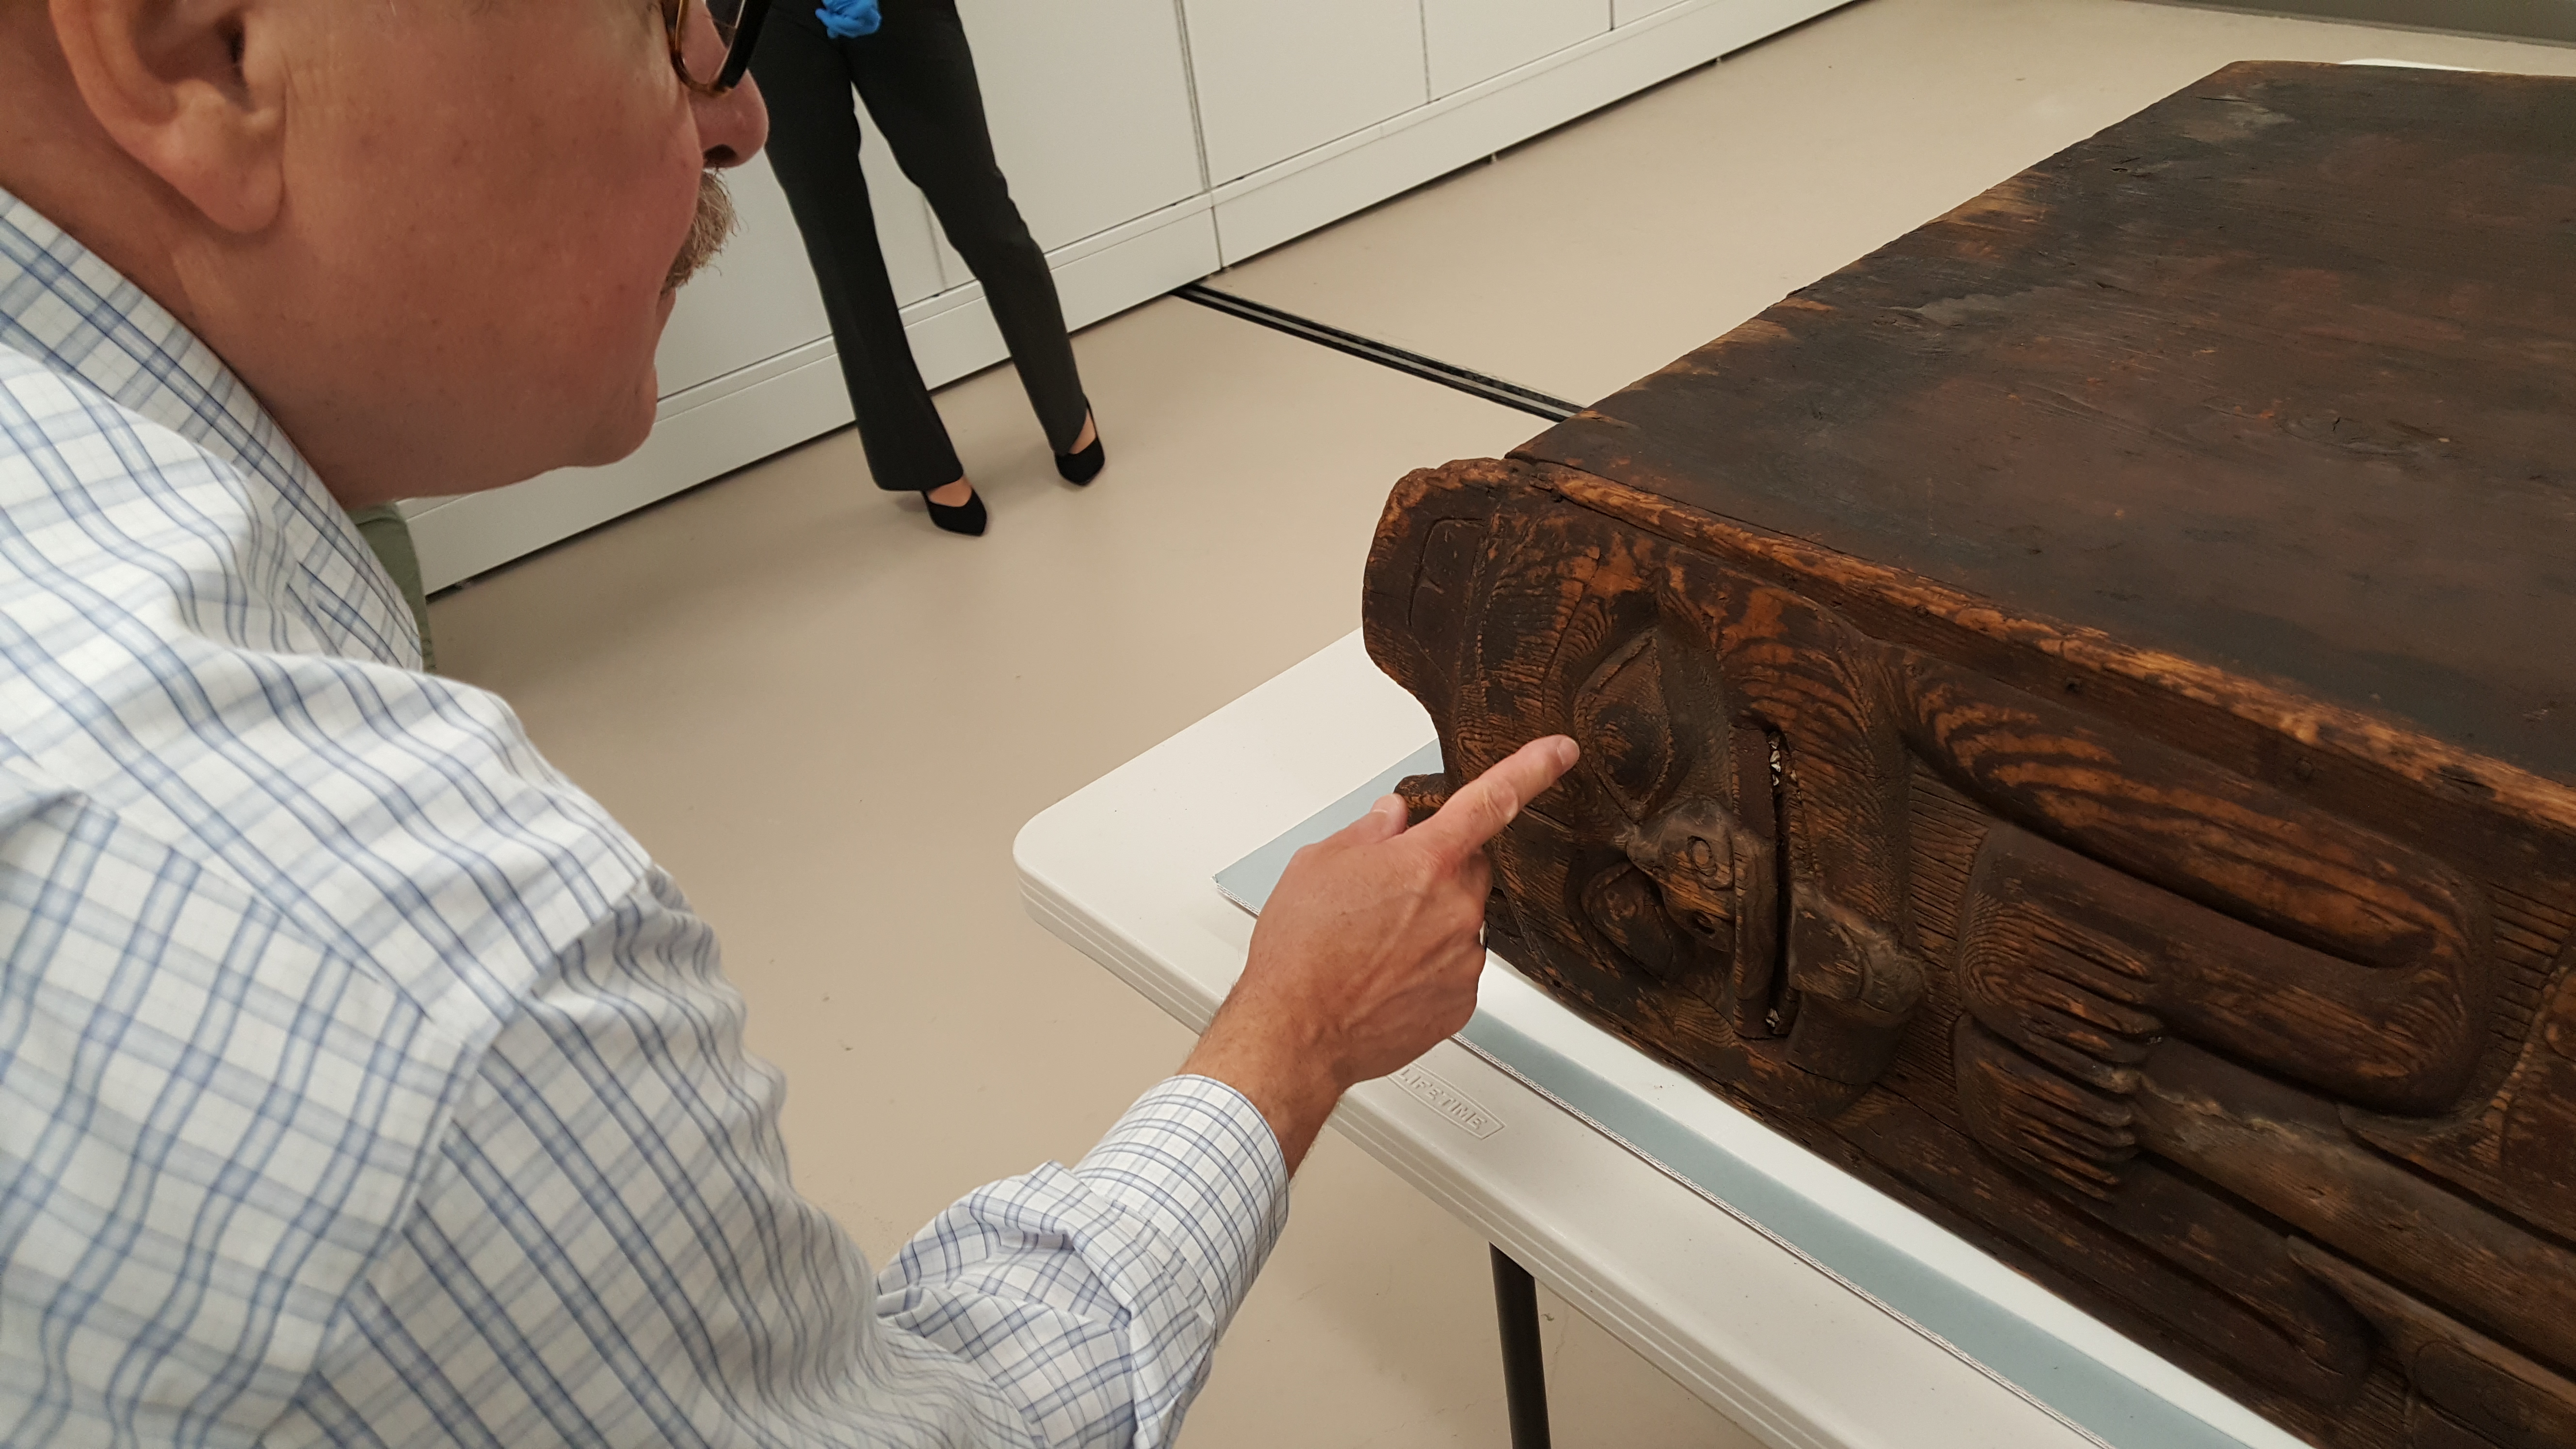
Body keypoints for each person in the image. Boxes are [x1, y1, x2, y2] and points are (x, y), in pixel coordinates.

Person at [0, 0, 1578, 1446]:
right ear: (195, 49)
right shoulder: (420, 971)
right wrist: (1290, 1028)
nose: (732, 113)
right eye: (649, 14)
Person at [751, 0, 1099, 537]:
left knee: (983, 213)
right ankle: (921, 461)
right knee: (838, 248)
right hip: (765, 18)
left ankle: (1066, 410)